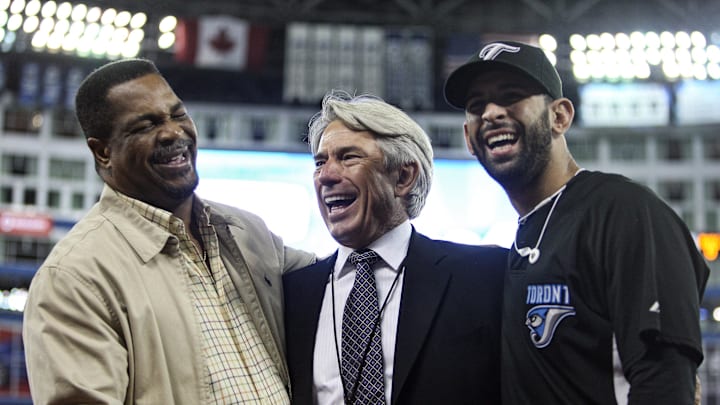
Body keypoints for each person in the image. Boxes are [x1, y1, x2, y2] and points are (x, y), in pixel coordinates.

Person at [22, 58, 315, 404]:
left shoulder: (246, 232)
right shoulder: (74, 278)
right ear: (103, 152)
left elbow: (339, 280)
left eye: (178, 115)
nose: (173, 132)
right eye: (145, 125)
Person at [444, 40, 710, 404]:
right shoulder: (525, 241)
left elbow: (665, 380)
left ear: (560, 116)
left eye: (511, 96)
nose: (491, 113)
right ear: (469, 140)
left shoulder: (623, 211)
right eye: (477, 106)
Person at [283, 90, 507, 405]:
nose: (327, 176)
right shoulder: (292, 294)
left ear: (403, 176)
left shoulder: (484, 276)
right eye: (320, 162)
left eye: (348, 157)